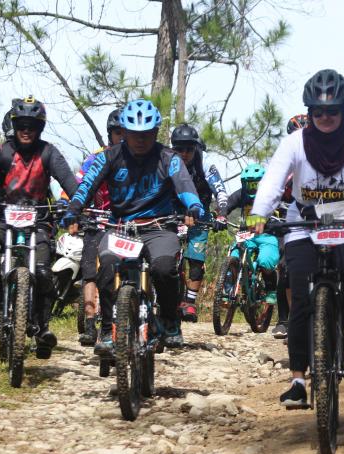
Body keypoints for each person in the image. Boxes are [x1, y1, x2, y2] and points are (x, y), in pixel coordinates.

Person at [249, 69, 344, 407]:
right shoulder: (294, 143)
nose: (325, 117)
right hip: (303, 222)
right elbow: (273, 179)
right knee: (300, 297)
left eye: (332, 111)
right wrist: (260, 211)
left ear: (343, 110)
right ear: (309, 112)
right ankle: (297, 381)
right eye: (318, 111)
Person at [63, 99, 204, 353]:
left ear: (156, 132)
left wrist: (193, 206)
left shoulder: (169, 158)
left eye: (147, 134)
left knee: (164, 268)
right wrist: (74, 209)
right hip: (120, 227)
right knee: (107, 265)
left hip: (159, 227)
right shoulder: (109, 157)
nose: (140, 139)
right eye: (134, 133)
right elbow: (86, 186)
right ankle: (107, 330)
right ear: (124, 132)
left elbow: (185, 186)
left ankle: (170, 320)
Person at [0, 96, 78, 358]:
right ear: (14, 126)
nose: (26, 130)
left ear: (40, 128)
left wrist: (77, 205)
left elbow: (69, 183)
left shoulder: (49, 152)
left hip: (38, 220)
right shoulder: (1, 152)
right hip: (2, 217)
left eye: (32, 126)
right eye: (21, 125)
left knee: (42, 270)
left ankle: (42, 327)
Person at [170, 123, 229, 322]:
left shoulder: (206, 163)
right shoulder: (167, 161)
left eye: (189, 149)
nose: (184, 153)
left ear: (196, 148)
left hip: (200, 214)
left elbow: (220, 191)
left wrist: (222, 214)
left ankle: (190, 302)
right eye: (179, 149)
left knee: (196, 259)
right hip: (172, 213)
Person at [76, 108, 123, 346]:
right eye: (118, 132)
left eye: (126, 132)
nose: (122, 137)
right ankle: (89, 322)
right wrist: (72, 207)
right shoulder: (95, 158)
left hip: (125, 224)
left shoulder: (138, 160)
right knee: (90, 271)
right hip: (96, 222)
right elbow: (78, 184)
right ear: (109, 134)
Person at [270, 115, 308, 339]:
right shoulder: (284, 163)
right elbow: (271, 189)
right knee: (285, 268)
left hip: (324, 218)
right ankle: (285, 320)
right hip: (290, 221)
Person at [223, 163, 279, 304]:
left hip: (268, 234)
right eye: (248, 184)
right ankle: (227, 290)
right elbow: (227, 205)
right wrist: (220, 216)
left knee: (266, 260)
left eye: (255, 184)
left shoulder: (273, 193)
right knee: (233, 255)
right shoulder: (241, 194)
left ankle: (271, 289)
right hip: (246, 234)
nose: (252, 187)